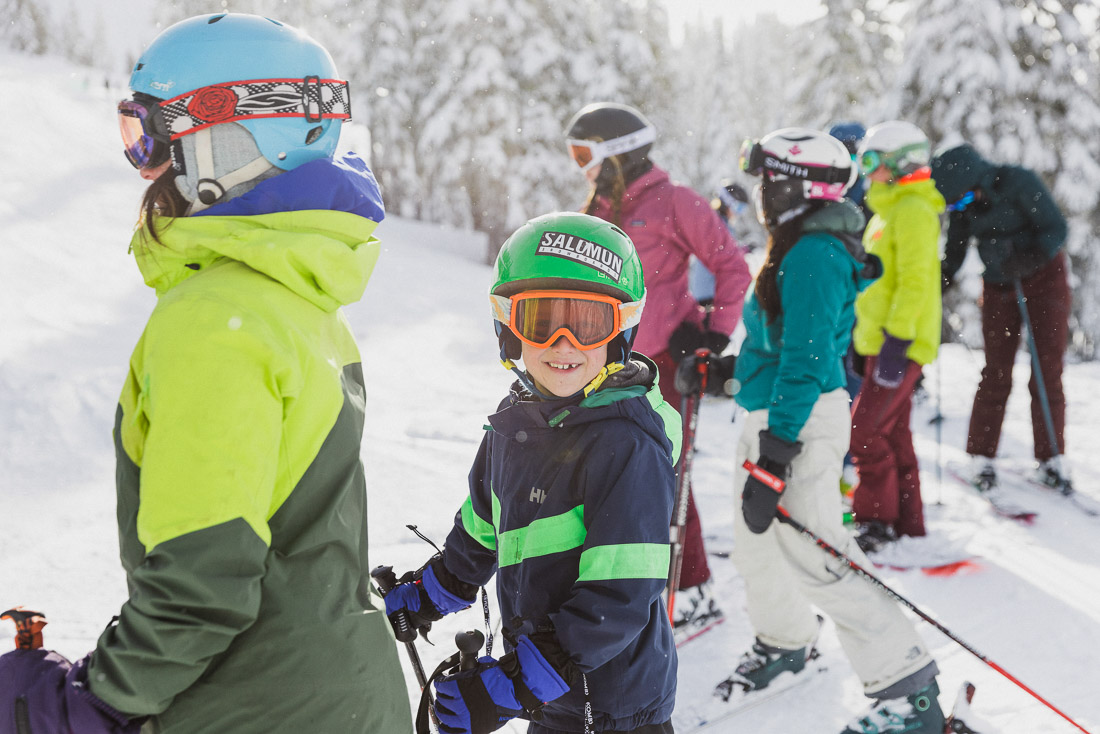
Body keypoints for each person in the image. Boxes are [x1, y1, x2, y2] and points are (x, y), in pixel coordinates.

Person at [0, 13, 413, 733]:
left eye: (150, 133)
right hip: (342, 697)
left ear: (229, 136)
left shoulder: (216, 319)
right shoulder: (299, 295)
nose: (144, 163)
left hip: (254, 710)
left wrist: (92, 701)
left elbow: (203, 581)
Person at [383, 212, 681, 733]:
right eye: (541, 322)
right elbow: (481, 530)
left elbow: (619, 596)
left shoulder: (628, 445)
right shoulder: (512, 427)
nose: (563, 343)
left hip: (612, 709)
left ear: (620, 333)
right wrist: (430, 593)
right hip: (552, 696)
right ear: (509, 329)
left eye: (588, 324)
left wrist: (514, 685)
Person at [725, 127, 944, 733]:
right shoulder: (798, 242)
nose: (762, 193)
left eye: (770, 180)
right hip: (774, 410)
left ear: (798, 187)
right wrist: (725, 369)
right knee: (758, 545)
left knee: (821, 556)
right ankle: (785, 644)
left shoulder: (815, 255)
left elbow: (810, 358)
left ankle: (909, 689)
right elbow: (780, 342)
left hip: (796, 423)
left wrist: (776, 455)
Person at [563, 102, 753, 640]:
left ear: (619, 153)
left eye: (585, 155)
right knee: (599, 472)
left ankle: (692, 589)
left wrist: (713, 335)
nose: (580, 167)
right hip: (601, 361)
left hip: (662, 363)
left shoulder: (675, 202)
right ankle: (618, 580)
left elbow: (731, 267)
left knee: (662, 474)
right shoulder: (600, 208)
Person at [932, 143, 1071, 490]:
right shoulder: (964, 206)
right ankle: (981, 457)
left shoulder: (1019, 182)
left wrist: (1032, 257)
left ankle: (1052, 458)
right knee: (995, 372)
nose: (960, 208)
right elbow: (955, 254)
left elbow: (1056, 228)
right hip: (998, 287)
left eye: (962, 200)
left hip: (1044, 283)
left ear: (976, 180)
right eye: (954, 205)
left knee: (1045, 370)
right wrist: (938, 282)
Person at [847, 121, 944, 553]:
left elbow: (915, 283)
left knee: (865, 433)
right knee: (894, 434)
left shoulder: (913, 211)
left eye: (871, 162)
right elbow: (883, 275)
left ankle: (876, 522)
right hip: (879, 341)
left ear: (899, 163)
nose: (865, 172)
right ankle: (909, 523)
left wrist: (897, 343)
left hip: (897, 345)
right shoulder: (889, 210)